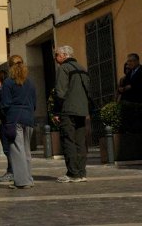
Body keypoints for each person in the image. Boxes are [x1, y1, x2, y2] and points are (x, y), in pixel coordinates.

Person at [53, 45, 90, 183]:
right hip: (82, 110)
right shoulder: (82, 68)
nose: (56, 58)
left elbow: (60, 91)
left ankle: (73, 173)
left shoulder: (63, 68)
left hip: (68, 110)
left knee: (68, 140)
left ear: (63, 55)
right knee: (80, 142)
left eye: (57, 55)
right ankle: (82, 172)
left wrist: (57, 111)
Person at [0, 55, 36, 189]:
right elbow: (34, 103)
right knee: (26, 151)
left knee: (17, 150)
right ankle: (29, 178)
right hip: (29, 118)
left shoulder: (8, 83)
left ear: (10, 66)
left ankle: (22, 181)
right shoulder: (30, 82)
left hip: (14, 119)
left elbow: (5, 104)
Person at [0, 70, 13, 183]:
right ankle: (11, 171)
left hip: (5, 123)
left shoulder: (3, 92)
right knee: (7, 149)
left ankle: (12, 172)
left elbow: (4, 107)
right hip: (2, 123)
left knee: (7, 149)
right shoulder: (0, 91)